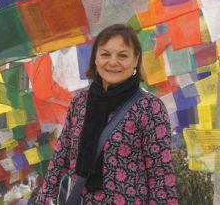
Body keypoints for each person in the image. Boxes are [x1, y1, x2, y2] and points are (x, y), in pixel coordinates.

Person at [35, 24, 178, 204]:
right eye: (105, 54)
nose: (112, 62)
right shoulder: (80, 102)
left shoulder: (150, 108)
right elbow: (61, 156)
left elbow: (161, 176)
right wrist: (44, 198)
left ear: (136, 60)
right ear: (95, 58)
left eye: (123, 55)